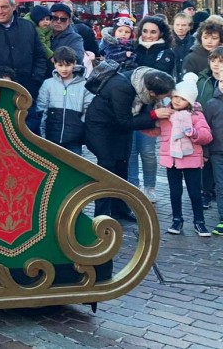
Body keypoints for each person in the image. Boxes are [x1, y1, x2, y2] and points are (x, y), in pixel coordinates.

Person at [85, 68, 176, 220]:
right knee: (106, 169)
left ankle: (119, 209)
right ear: (152, 93)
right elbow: (124, 121)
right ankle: (101, 215)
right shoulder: (121, 87)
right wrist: (154, 115)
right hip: (101, 128)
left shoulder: (144, 82)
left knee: (122, 166)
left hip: (119, 129)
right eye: (164, 96)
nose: (165, 99)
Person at [142, 73, 212, 235]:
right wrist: (141, 124)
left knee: (195, 192)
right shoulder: (166, 114)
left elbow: (206, 135)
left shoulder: (196, 115)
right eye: (175, 97)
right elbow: (154, 131)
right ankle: (177, 220)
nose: (177, 100)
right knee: (175, 192)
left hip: (191, 161)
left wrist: (193, 133)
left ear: (190, 100)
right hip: (171, 160)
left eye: (182, 98)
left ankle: (199, 221)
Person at [0, 0, 47, 134]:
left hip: (26, 92)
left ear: (13, 6)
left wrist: (35, 82)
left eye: (4, 7)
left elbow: (40, 57)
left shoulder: (28, 27)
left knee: (30, 135)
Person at [129, 16, 176, 201]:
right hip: (130, 106)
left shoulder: (166, 52)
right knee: (131, 150)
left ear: (161, 33)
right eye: (145, 31)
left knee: (147, 151)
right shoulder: (132, 48)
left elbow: (154, 76)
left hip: (152, 106)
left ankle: (150, 186)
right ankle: (132, 184)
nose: (148, 35)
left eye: (153, 32)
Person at [36, 47, 93, 155]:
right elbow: (42, 110)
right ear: (55, 64)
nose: (64, 69)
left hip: (74, 139)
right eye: (60, 65)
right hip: (51, 137)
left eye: (68, 65)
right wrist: (42, 135)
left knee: (73, 168)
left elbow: (89, 110)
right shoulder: (48, 84)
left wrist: (81, 130)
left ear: (74, 63)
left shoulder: (84, 85)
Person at [197, 47, 223, 208]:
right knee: (206, 166)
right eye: (213, 60)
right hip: (206, 124)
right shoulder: (204, 79)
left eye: (220, 61)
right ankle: (206, 192)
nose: (216, 65)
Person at [203, 78, 223, 235]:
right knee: (221, 185)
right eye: (222, 81)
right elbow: (207, 129)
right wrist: (206, 152)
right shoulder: (212, 104)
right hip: (218, 151)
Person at [171, 12, 195, 77]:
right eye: (177, 25)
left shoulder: (195, 42)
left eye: (183, 25)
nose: (180, 28)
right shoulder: (166, 42)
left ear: (189, 27)